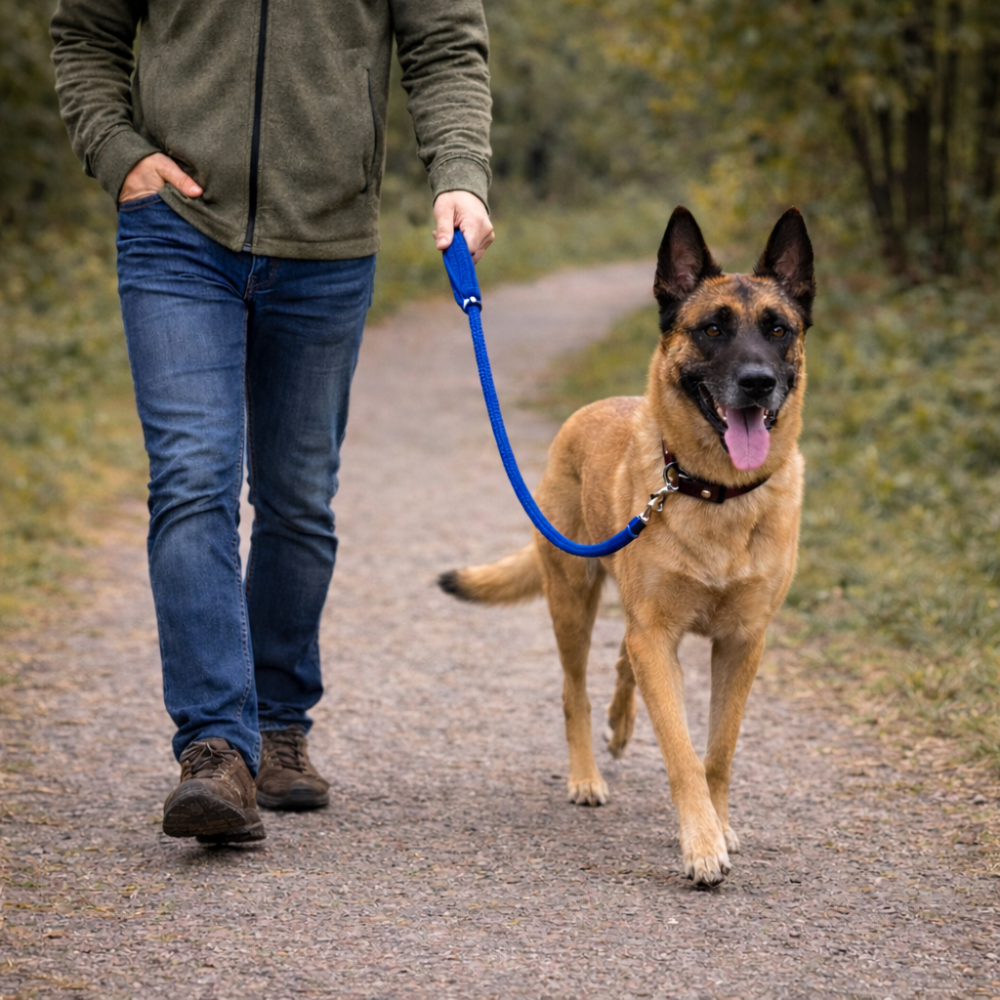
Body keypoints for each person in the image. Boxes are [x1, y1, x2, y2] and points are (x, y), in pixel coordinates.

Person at [50, 0, 494, 844]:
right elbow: (85, 32)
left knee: (297, 499)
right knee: (192, 477)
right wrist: (117, 151)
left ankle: (279, 725)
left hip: (327, 245)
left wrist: (460, 173)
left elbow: (444, 46)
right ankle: (217, 747)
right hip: (177, 231)